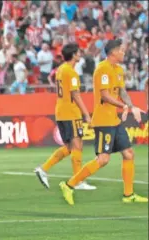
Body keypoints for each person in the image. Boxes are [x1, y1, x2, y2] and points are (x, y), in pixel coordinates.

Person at [59, 39, 147, 205]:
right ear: (113, 52)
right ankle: (69, 185)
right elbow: (105, 96)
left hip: (114, 120)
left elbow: (121, 91)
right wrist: (124, 106)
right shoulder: (102, 70)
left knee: (128, 153)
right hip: (103, 121)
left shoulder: (119, 70)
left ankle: (128, 195)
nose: (123, 52)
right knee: (103, 160)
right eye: (121, 50)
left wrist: (131, 106)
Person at [34, 43, 96, 191]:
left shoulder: (61, 70)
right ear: (74, 55)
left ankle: (44, 169)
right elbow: (76, 95)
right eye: (78, 52)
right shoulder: (71, 72)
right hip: (71, 113)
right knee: (77, 145)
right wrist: (87, 115)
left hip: (61, 112)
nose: (80, 54)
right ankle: (77, 181)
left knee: (70, 147)